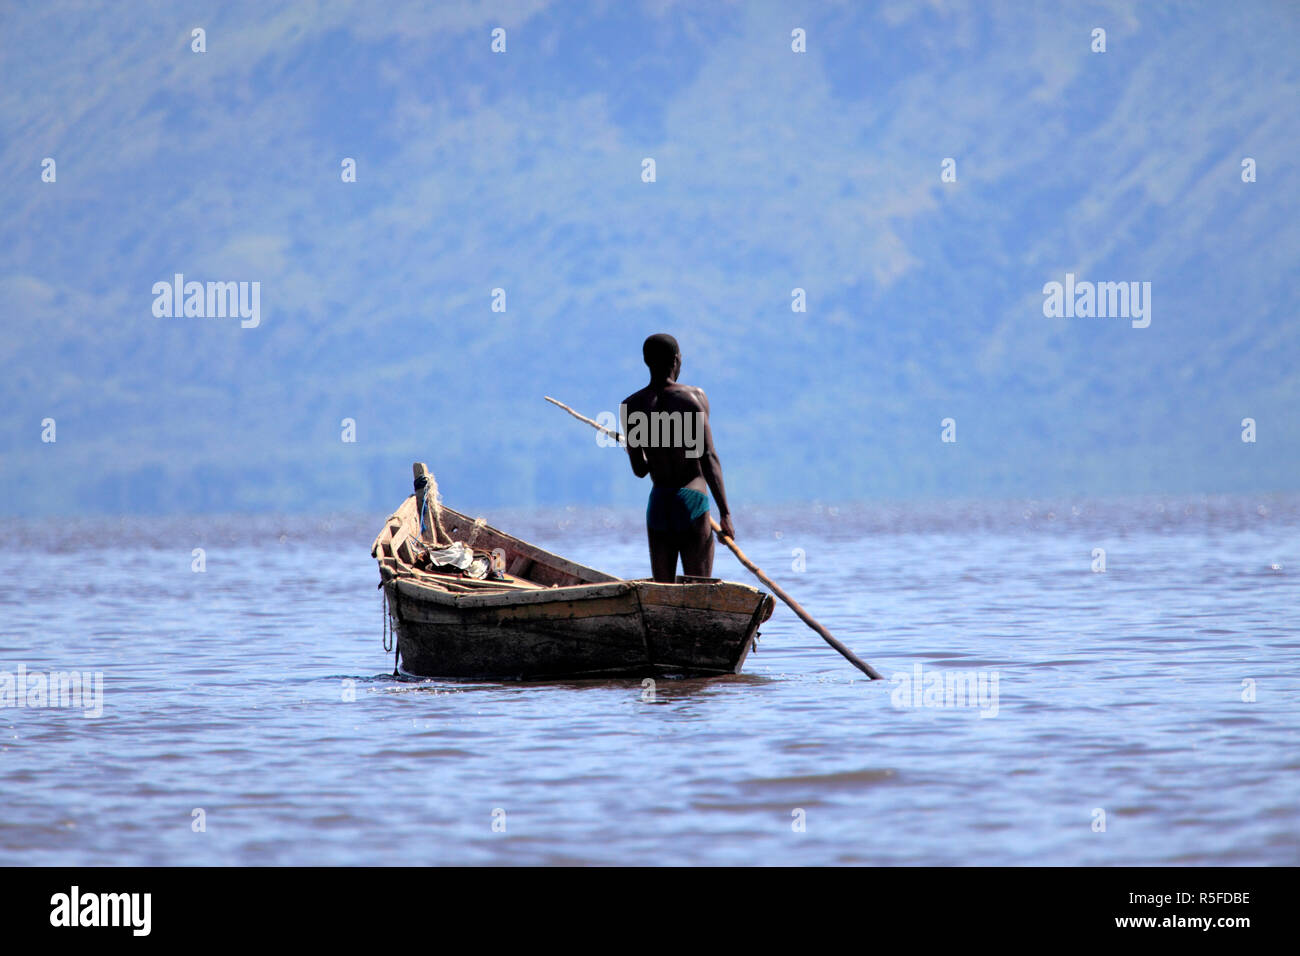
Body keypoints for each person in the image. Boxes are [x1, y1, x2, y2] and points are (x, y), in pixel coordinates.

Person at [621, 333, 734, 583]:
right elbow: (707, 456)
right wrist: (725, 514)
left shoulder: (631, 407)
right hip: (691, 500)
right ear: (675, 360)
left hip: (659, 503)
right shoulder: (693, 399)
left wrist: (633, 448)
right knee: (699, 591)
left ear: (646, 361)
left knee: (664, 594)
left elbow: (640, 470)